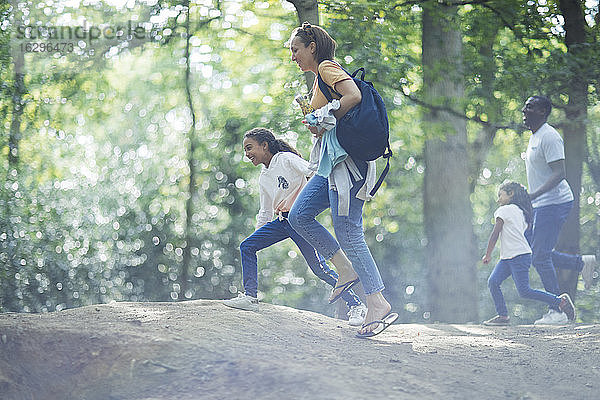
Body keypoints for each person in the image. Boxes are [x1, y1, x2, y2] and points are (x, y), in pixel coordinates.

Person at [287, 22, 397, 338]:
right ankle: (345, 269)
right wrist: (313, 116)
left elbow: (354, 94)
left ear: (311, 46)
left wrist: (325, 115)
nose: (293, 56)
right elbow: (324, 125)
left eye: (296, 49)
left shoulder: (327, 67)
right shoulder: (319, 79)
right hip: (329, 166)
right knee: (299, 215)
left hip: (348, 166)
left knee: (349, 232)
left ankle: (377, 301)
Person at [222, 128, 367, 326]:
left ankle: (357, 305)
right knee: (247, 246)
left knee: (319, 269)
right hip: (281, 223)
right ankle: (250, 297)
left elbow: (311, 171)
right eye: (245, 150)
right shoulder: (263, 176)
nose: (247, 154)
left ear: (264, 145)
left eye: (250, 148)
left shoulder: (286, 159)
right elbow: (265, 211)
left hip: (298, 221)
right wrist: (259, 236)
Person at [522, 96, 597, 325]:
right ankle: (580, 263)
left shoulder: (550, 136)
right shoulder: (535, 137)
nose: (524, 110)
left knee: (540, 256)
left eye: (530, 107)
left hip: (554, 203)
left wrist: (534, 195)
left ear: (543, 111)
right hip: (541, 204)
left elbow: (559, 172)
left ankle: (558, 309)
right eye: (525, 106)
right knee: (534, 250)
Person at [482, 182, 576, 325]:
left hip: (518, 256)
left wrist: (488, 254)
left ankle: (560, 302)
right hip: (509, 257)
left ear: (511, 193)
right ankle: (503, 316)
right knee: (493, 282)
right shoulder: (522, 212)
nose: (498, 200)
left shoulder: (504, 210)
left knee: (524, 291)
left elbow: (496, 233)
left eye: (500, 195)